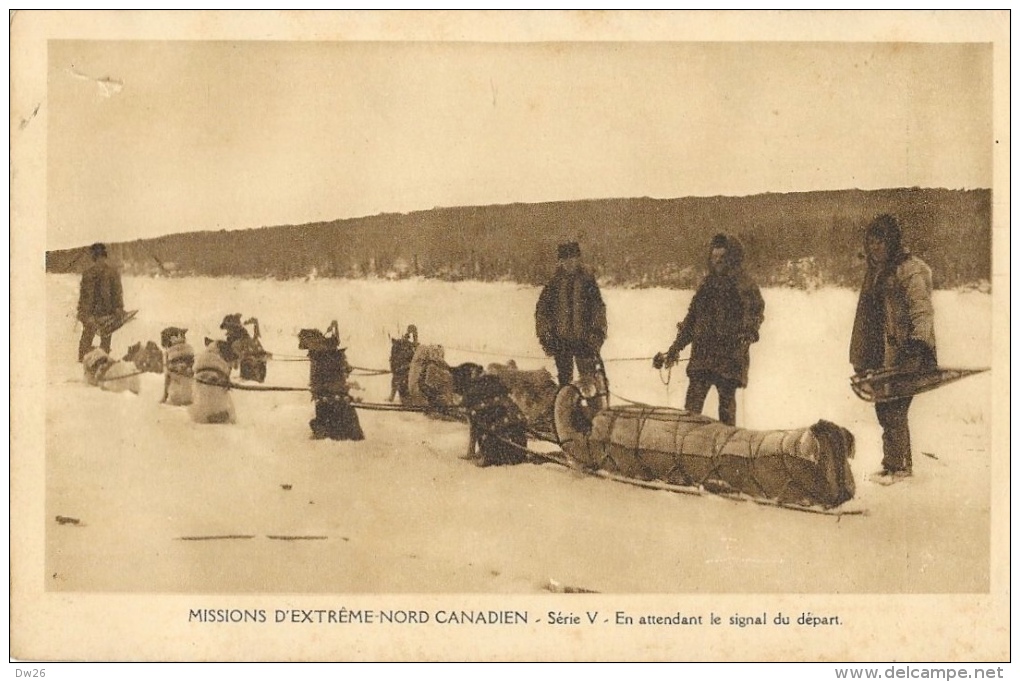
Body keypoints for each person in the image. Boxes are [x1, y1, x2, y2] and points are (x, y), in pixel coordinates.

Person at [850, 214, 937, 482]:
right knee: (884, 408)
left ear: (892, 243)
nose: (875, 248)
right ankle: (892, 464)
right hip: (881, 353)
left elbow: (921, 310)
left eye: (881, 242)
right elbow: (867, 317)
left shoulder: (908, 271)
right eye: (872, 242)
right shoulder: (875, 273)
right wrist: (861, 355)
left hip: (906, 353)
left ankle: (901, 467)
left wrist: (917, 345)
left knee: (895, 409)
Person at [655, 233, 764, 426]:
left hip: (729, 358)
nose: (718, 262)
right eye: (714, 258)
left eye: (722, 258)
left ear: (732, 258)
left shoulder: (744, 285)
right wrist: (675, 348)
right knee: (691, 410)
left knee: (726, 410)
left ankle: (729, 449)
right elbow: (692, 319)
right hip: (702, 357)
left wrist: (747, 334)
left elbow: (754, 312)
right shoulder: (706, 285)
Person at [535, 241, 608, 390]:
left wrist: (597, 333)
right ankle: (569, 412)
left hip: (585, 341)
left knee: (589, 385)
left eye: (572, 259)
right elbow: (542, 312)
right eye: (564, 260)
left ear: (578, 259)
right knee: (565, 386)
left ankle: (593, 411)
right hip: (561, 341)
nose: (569, 263)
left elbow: (598, 309)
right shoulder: (554, 283)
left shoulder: (587, 282)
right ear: (560, 262)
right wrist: (546, 335)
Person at [77, 242, 125, 362]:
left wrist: (118, 308)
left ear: (105, 258)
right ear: (94, 259)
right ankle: (82, 362)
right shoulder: (87, 275)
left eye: (102, 258)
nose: (100, 261)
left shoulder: (112, 274)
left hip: (107, 314)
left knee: (105, 342)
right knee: (86, 340)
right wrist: (83, 314)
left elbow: (117, 293)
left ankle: (104, 363)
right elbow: (83, 297)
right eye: (97, 258)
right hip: (90, 314)